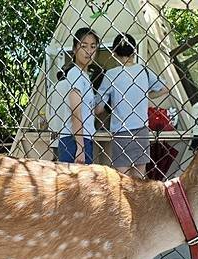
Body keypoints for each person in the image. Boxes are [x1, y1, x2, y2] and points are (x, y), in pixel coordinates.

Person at [97, 33, 169, 178]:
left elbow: (98, 108)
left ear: (113, 52)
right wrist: (144, 96)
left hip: (121, 132)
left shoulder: (111, 75)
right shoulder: (144, 70)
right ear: (134, 50)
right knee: (138, 179)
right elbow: (165, 88)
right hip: (141, 131)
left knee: (122, 180)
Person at [58, 28, 99, 165]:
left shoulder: (84, 76)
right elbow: (75, 110)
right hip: (74, 140)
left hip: (82, 138)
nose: (89, 50)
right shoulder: (75, 73)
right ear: (75, 49)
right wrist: (80, 147)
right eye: (84, 46)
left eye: (93, 46)